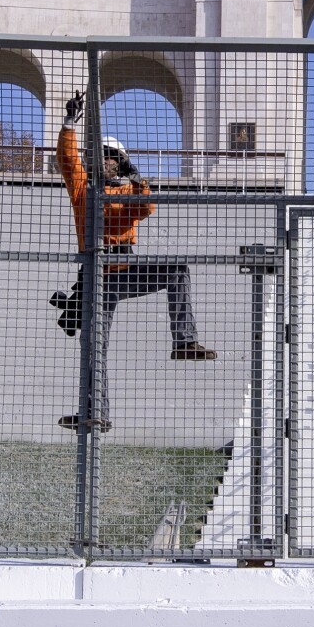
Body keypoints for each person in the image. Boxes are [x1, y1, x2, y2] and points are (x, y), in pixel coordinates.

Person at [50, 92, 215, 430]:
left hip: (123, 270)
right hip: (96, 277)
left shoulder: (128, 193)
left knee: (176, 269)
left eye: (113, 157)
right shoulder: (83, 187)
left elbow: (147, 207)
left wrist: (136, 175)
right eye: (101, 155)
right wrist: (69, 123)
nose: (105, 160)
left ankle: (184, 341)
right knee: (95, 347)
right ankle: (96, 414)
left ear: (121, 162)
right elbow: (67, 160)